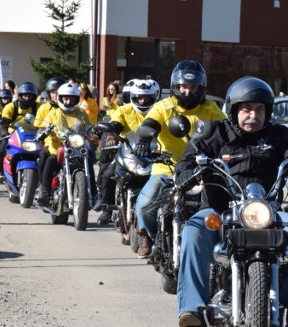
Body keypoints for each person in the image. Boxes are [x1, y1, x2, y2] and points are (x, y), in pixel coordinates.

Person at [175, 76, 288, 327]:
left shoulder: (280, 136)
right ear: (233, 110)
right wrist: (191, 173)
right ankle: (192, 307)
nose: (253, 115)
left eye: (259, 109)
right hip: (221, 212)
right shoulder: (214, 133)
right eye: (246, 109)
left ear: (268, 111)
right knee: (194, 228)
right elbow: (187, 162)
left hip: (267, 212)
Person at [132, 60, 226, 258]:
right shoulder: (164, 106)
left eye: (193, 88)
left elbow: (227, 131)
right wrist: (143, 139)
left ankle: (218, 247)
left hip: (200, 169)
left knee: (224, 206)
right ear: (175, 86)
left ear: (201, 88)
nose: (188, 92)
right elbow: (150, 123)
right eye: (184, 87)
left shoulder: (210, 108)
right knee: (144, 205)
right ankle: (149, 236)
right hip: (167, 167)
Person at [94, 79, 160, 225]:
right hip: (128, 152)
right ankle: (107, 209)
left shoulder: (159, 110)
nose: (143, 101)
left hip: (154, 155)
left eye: (147, 98)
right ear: (133, 97)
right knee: (108, 174)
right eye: (140, 98)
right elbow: (116, 123)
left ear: (154, 98)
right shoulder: (124, 110)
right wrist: (112, 132)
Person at [37, 83, 93, 206]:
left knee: (89, 159)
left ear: (76, 99)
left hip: (77, 147)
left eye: (71, 99)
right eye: (65, 98)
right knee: (50, 160)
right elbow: (42, 128)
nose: (68, 101)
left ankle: (93, 192)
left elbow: (89, 126)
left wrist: (94, 130)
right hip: (57, 148)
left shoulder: (82, 113)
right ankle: (45, 191)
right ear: (60, 98)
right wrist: (44, 131)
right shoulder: (54, 113)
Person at [34, 77, 66, 185]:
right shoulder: (43, 108)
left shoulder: (70, 108)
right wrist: (43, 133)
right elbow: (39, 127)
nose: (55, 95)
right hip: (49, 143)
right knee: (43, 157)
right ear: (48, 94)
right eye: (53, 92)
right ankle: (43, 186)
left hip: (70, 143)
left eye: (58, 92)